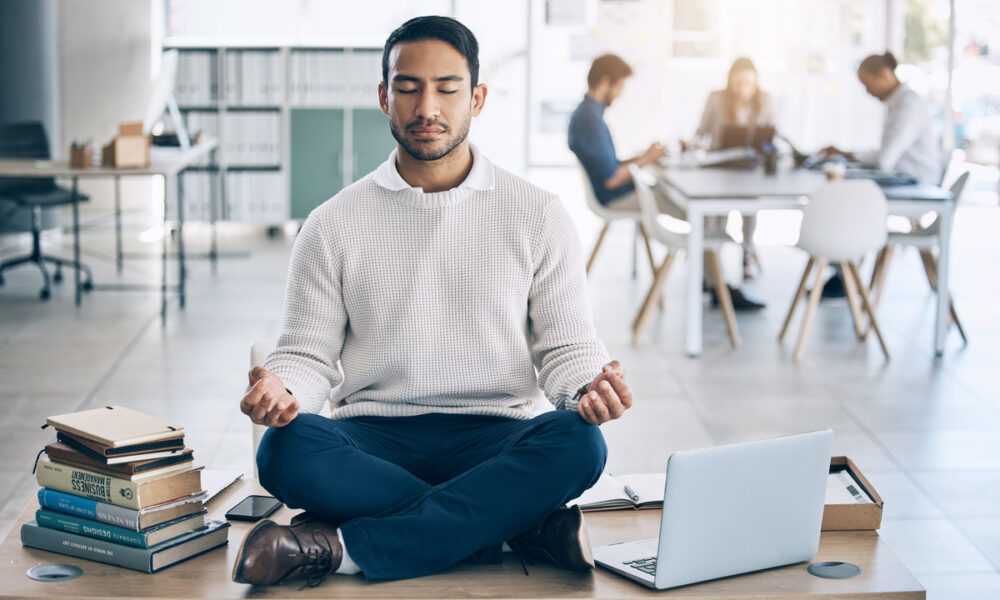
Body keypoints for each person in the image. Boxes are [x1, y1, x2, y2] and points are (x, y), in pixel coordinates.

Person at [232, 16, 633, 587]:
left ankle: (343, 548)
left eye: (447, 88)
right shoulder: (332, 223)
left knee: (579, 443)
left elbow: (566, 345)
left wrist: (587, 387)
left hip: (496, 433)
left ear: (477, 97)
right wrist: (284, 388)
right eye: (408, 87)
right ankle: (513, 528)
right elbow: (308, 352)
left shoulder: (537, 214)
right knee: (282, 450)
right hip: (373, 435)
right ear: (383, 96)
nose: (428, 108)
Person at [568, 54, 764, 310]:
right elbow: (612, 180)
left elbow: (611, 165)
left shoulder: (588, 114)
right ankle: (717, 284)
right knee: (703, 214)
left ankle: (711, 279)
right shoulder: (590, 120)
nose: (620, 94)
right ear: (605, 82)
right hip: (614, 196)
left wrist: (643, 158)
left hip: (619, 191)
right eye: (620, 86)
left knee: (700, 209)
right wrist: (647, 158)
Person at [819, 51, 941, 298]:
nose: (867, 92)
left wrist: (848, 155)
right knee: (847, 195)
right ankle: (843, 274)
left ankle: (844, 277)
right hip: (904, 182)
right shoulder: (898, 103)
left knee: (848, 200)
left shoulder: (908, 104)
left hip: (915, 188)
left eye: (867, 84)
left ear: (884, 74)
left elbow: (885, 160)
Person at [691, 58, 775, 280]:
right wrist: (695, 146)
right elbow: (701, 132)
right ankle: (713, 262)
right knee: (719, 209)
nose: (742, 88)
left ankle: (747, 252)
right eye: (738, 82)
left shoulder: (765, 100)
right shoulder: (716, 99)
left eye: (748, 83)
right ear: (730, 81)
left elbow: (772, 134)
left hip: (750, 168)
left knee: (750, 204)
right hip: (720, 165)